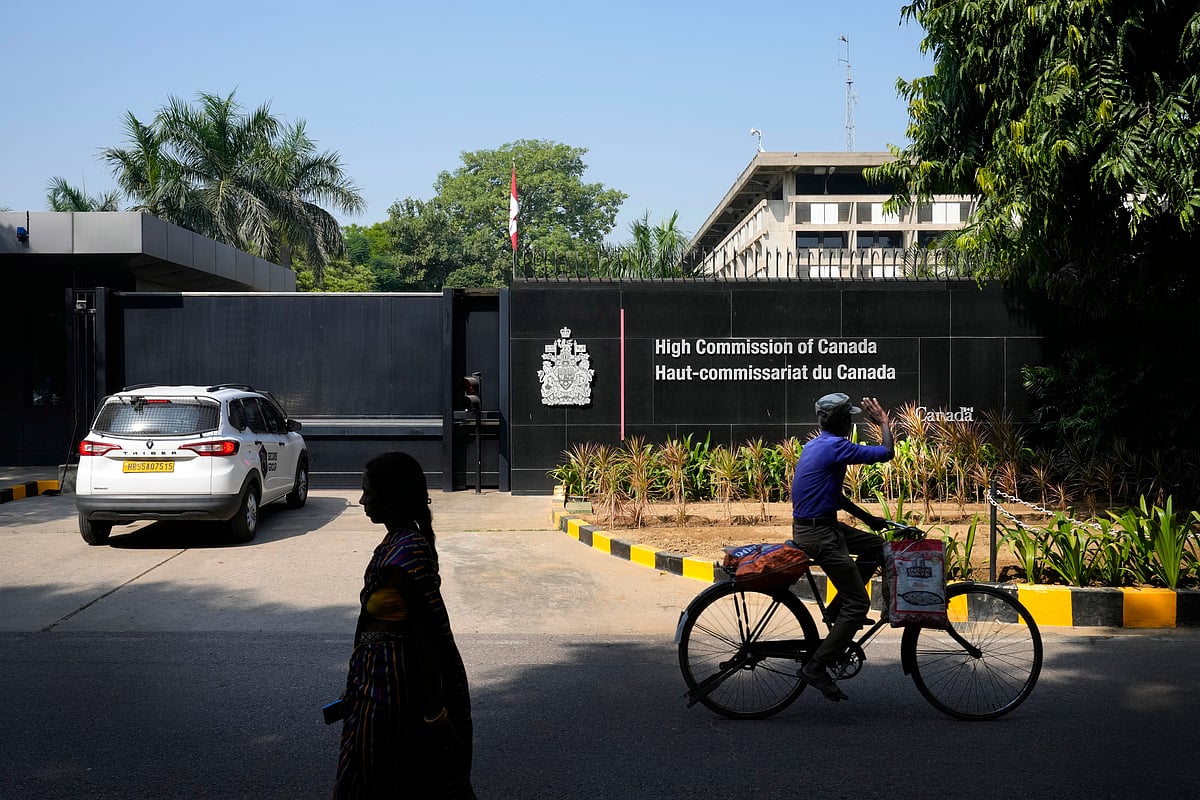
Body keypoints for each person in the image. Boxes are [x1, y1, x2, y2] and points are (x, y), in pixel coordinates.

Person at [333, 451, 476, 799]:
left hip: (395, 696)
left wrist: (434, 715)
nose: (362, 500)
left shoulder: (406, 553)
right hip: (374, 688)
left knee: (388, 780)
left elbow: (427, 638)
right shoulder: (395, 544)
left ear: (392, 496)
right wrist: (355, 686)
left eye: (369, 492)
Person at [791, 393, 894, 702]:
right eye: (851, 417)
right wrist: (885, 423)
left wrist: (868, 519)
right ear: (846, 423)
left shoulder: (816, 444)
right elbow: (886, 452)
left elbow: (833, 496)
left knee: (878, 547)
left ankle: (839, 610)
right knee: (859, 604)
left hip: (821, 526)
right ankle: (816, 667)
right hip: (819, 533)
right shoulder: (837, 446)